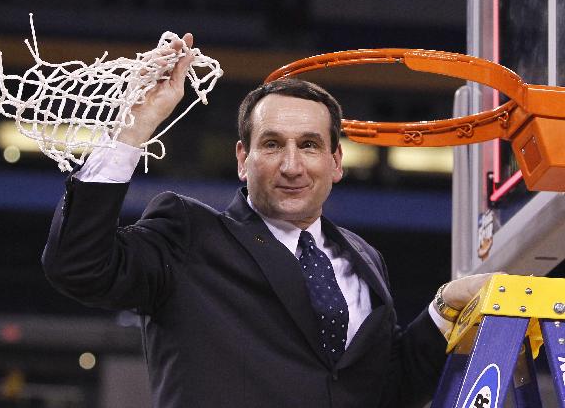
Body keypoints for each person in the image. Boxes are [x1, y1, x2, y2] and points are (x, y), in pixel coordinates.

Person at [42, 34, 493, 408]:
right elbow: (79, 265)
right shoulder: (188, 235)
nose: (292, 166)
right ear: (243, 159)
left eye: (310, 146)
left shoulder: (364, 258)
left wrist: (442, 311)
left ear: (336, 162)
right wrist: (131, 132)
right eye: (273, 144)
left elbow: (386, 387)